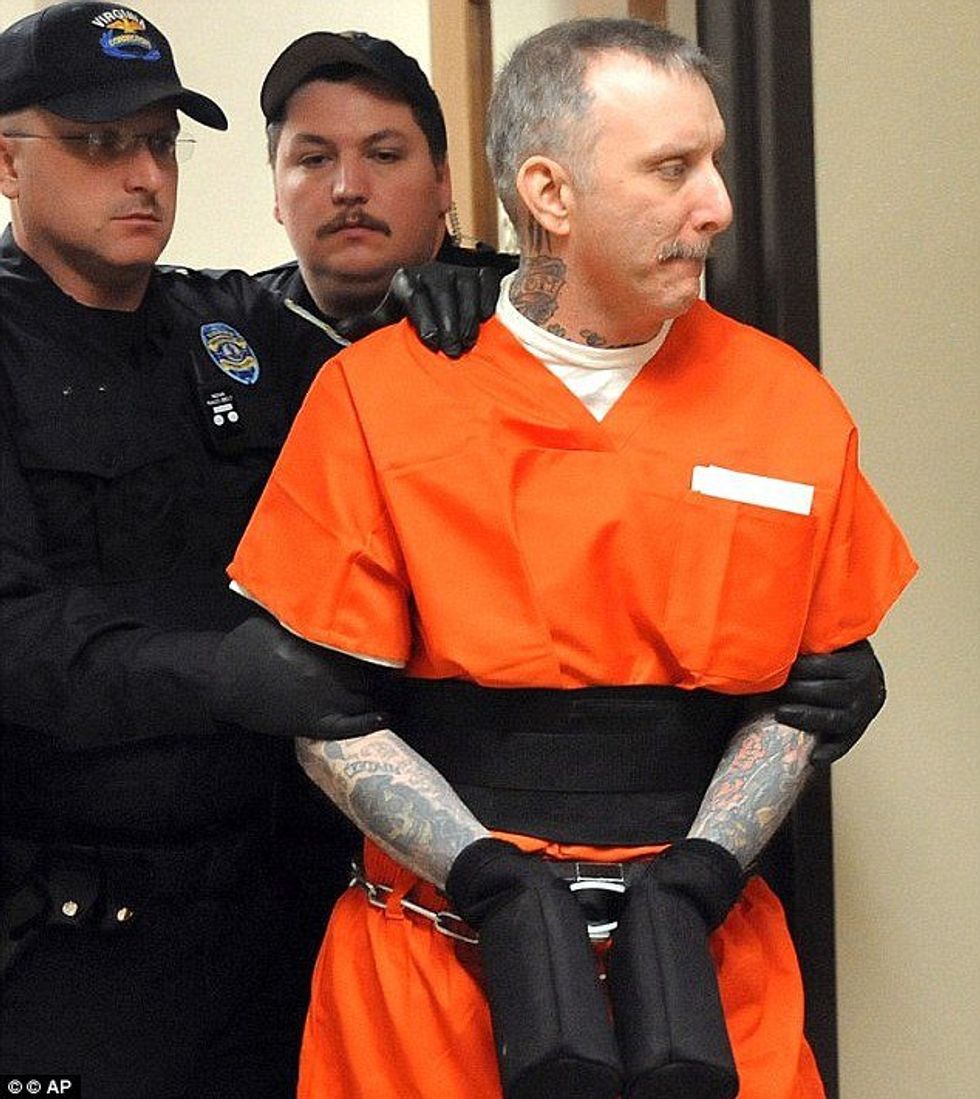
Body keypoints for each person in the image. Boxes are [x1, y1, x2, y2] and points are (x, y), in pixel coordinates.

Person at [224, 17, 916, 1099]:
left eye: (714, 162)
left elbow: (810, 692)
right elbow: (323, 714)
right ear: (549, 192)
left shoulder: (784, 402)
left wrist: (703, 872)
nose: (717, 205)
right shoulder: (378, 397)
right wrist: (487, 878)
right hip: (437, 967)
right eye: (672, 169)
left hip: (703, 967)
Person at [0, 4, 370, 1096]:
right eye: (99, 143)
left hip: (273, 917)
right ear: (7, 161)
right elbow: (10, 631)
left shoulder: (231, 329)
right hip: (74, 936)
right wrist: (221, 672)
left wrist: (461, 291)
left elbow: (409, 410)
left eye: (160, 143)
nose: (144, 175)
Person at [254, 29, 517, 354]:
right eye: (316, 159)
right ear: (276, 191)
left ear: (442, 179)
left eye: (384, 155)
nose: (348, 189)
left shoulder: (524, 314)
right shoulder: (240, 323)